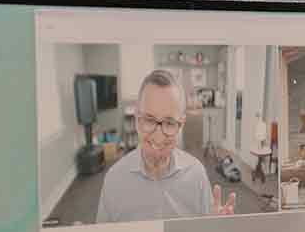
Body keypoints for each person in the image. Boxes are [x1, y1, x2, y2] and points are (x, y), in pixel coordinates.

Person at [95, 70, 235, 224]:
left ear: (181, 124)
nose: (159, 135)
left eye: (169, 123)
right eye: (149, 120)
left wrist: (216, 227)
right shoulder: (114, 179)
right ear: (136, 119)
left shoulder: (196, 175)